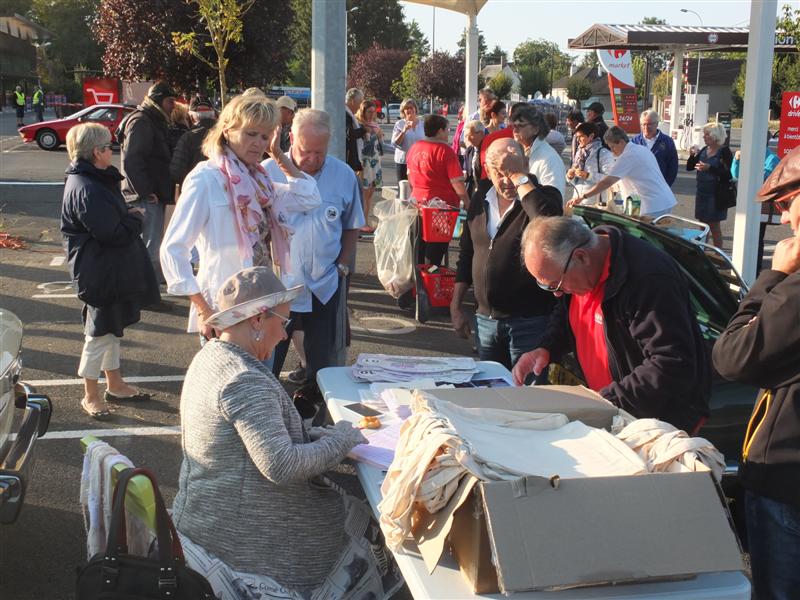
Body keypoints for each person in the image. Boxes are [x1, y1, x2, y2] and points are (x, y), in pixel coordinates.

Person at [172, 267, 402, 599]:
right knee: (364, 522)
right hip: (244, 535)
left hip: (210, 517)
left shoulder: (210, 357)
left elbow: (255, 442)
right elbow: (281, 465)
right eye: (283, 323)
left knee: (354, 513)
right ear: (257, 320)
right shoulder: (243, 380)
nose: (284, 335)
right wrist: (341, 438)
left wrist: (315, 437)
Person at [513, 216, 711, 433]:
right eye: (548, 287)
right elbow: (568, 311)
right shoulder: (578, 271)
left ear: (581, 257)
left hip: (655, 421)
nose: (557, 293)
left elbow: (671, 361)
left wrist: (607, 400)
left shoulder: (648, 279)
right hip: (613, 410)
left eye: (556, 285)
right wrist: (546, 347)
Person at [711, 146, 800, 600]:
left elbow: (732, 356)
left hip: (787, 477)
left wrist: (774, 277)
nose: (784, 219)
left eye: (787, 204)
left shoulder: (795, 286)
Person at [161, 94, 320, 346]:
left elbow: (309, 197)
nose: (258, 143)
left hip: (264, 308)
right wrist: (204, 310)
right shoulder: (206, 178)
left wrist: (278, 154)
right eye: (250, 134)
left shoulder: (261, 182)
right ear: (227, 130)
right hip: (224, 313)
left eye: (265, 136)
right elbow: (173, 249)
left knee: (258, 383)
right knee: (228, 383)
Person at [61, 123, 159, 419]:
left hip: (105, 269)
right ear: (96, 152)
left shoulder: (93, 180)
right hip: (99, 272)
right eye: (109, 147)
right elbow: (112, 234)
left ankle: (114, 383)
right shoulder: (88, 187)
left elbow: (108, 224)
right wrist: (137, 218)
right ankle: (90, 394)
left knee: (110, 328)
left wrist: (126, 215)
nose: (113, 151)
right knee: (99, 332)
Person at [265, 109, 364, 390]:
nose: (313, 160)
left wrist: (343, 265)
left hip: (325, 283)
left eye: (319, 152)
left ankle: (316, 417)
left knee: (323, 366)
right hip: (279, 286)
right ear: (291, 138)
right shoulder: (267, 172)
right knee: (268, 361)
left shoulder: (343, 174)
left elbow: (352, 224)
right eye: (306, 151)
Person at [451, 138, 563, 370]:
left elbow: (547, 220)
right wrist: (456, 305)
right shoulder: (481, 198)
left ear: (526, 165)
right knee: (492, 394)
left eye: (512, 172)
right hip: (486, 321)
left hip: (529, 322)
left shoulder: (544, 197)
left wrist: (519, 178)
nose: (507, 181)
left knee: (526, 398)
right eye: (500, 173)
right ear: (488, 172)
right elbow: (467, 252)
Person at [119, 81, 176, 286]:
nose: (173, 106)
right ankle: (148, 292)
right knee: (150, 245)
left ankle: (151, 285)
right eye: (170, 101)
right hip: (144, 196)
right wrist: (145, 191)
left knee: (153, 244)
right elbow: (132, 160)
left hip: (150, 194)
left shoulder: (151, 119)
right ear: (159, 100)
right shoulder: (142, 121)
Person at [571, 126, 676, 218]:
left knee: (647, 238)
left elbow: (607, 182)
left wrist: (583, 196)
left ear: (621, 142)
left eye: (612, 147)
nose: (612, 151)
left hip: (652, 205)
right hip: (660, 201)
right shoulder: (640, 149)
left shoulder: (628, 156)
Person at [731, 139, 781, 273]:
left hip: (761, 204)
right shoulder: (746, 155)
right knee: (744, 234)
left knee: (757, 237)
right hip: (746, 202)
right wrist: (736, 160)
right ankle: (743, 267)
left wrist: (748, 164)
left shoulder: (772, 158)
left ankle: (755, 268)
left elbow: (763, 178)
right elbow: (735, 175)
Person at [687, 122, 734, 249]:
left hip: (716, 194)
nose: (704, 137)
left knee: (714, 226)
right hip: (702, 192)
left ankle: (718, 253)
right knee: (702, 225)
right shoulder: (703, 150)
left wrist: (710, 168)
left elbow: (728, 174)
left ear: (715, 136)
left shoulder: (724, 151)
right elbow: (690, 167)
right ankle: (702, 251)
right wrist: (692, 156)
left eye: (707, 134)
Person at [509, 103, 566, 198]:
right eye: (514, 125)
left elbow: (554, 200)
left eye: (520, 125)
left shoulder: (550, 159)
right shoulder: (520, 151)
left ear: (535, 129)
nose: (515, 130)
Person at [169, 95, 217, 189]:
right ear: (213, 114)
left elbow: (177, 172)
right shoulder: (225, 135)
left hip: (194, 190)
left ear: (192, 117)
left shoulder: (188, 138)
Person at [566, 122, 616, 207]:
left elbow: (610, 180)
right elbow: (576, 181)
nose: (578, 140)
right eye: (577, 137)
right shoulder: (579, 153)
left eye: (581, 136)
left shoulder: (604, 153)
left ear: (591, 136)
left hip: (596, 204)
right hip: (577, 201)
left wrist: (588, 176)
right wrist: (570, 176)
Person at [355, 99, 383, 235]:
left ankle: (365, 220)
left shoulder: (374, 124)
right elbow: (363, 146)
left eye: (374, 111)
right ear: (363, 111)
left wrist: (379, 135)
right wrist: (374, 135)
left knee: (371, 193)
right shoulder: (360, 125)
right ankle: (361, 222)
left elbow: (380, 144)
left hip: (375, 161)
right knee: (364, 193)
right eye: (369, 111)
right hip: (365, 162)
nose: (372, 114)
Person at [631, 109, 678, 187]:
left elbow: (673, 167)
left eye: (649, 124)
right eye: (643, 124)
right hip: (639, 187)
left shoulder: (667, 142)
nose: (646, 127)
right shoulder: (635, 141)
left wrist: (666, 185)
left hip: (659, 186)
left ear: (656, 124)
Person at [391, 98, 425, 182]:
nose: (409, 110)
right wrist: (404, 130)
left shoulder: (423, 124)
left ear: (415, 109)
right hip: (403, 161)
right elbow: (395, 143)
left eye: (411, 107)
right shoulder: (399, 124)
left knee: (417, 188)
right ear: (403, 111)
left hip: (419, 162)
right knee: (404, 188)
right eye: (406, 108)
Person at [463, 119, 486, 199]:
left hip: (487, 192)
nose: (468, 139)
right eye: (466, 136)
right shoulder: (469, 151)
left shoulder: (489, 150)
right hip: (472, 192)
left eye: (470, 135)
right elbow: (466, 171)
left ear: (481, 134)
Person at [344, 87, 365, 173]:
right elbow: (350, 134)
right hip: (348, 157)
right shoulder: (346, 114)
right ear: (353, 101)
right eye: (359, 103)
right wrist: (364, 130)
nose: (360, 107)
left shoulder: (348, 114)